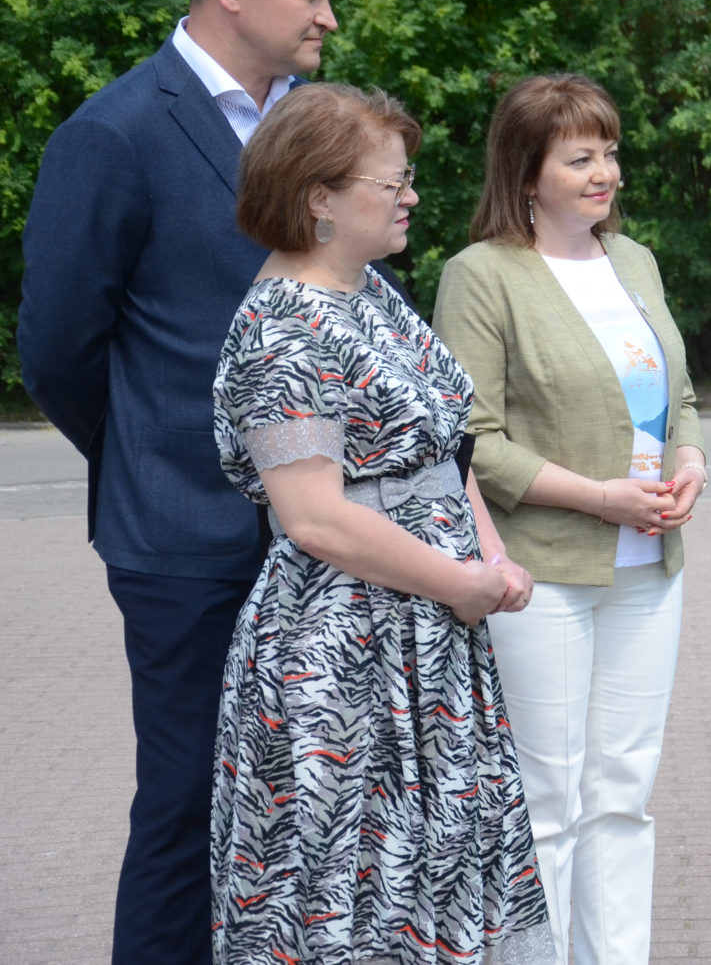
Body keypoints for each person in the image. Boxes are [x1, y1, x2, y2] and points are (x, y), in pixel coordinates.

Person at [16, 0, 340, 965]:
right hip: (186, 543)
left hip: (324, 536)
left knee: (303, 810)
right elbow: (59, 346)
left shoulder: (313, 124)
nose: (328, 16)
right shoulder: (112, 132)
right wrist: (151, 460)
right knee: (190, 803)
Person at [210, 82, 551, 963]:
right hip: (346, 656)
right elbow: (316, 518)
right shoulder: (279, 328)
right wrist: (465, 581)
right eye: (389, 182)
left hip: (430, 638)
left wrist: (489, 550)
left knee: (434, 891)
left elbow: (446, 446)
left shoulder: (373, 294)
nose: (409, 196)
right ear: (319, 197)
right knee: (343, 903)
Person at [434, 74, 708, 965]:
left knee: (623, 796)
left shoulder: (635, 261)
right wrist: (600, 498)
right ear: (526, 173)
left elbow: (684, 396)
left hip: (648, 569)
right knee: (547, 803)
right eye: (580, 157)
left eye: (611, 152)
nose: (606, 173)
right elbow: (472, 441)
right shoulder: (480, 276)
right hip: (542, 575)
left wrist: (691, 461)